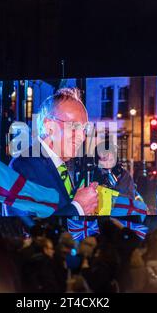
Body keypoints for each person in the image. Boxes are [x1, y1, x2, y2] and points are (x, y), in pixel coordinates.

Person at [8, 87, 98, 216]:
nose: (82, 137)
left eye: (84, 129)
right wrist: (78, 207)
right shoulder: (22, 166)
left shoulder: (61, 165)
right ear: (49, 126)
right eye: (74, 126)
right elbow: (26, 227)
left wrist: (80, 201)